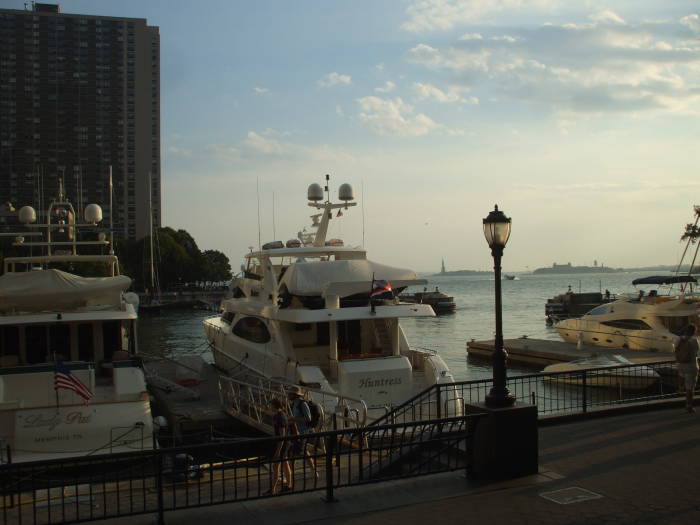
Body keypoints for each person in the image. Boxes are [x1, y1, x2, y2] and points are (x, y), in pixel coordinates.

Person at [287, 385, 318, 481]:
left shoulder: (302, 404)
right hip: (295, 432)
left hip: (302, 432)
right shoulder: (294, 404)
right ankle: (313, 470)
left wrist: (294, 419)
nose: (288, 395)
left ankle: (289, 476)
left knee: (293, 453)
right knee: (303, 452)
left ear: (294, 395)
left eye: (290, 393)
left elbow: (308, 418)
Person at [266, 397, 292, 495]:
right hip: (285, 443)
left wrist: (278, 450)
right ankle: (289, 485)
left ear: (275, 405)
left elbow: (282, 435)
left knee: (275, 466)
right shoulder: (279, 415)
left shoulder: (280, 417)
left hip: (282, 444)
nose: (270, 407)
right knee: (285, 464)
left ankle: (272, 489)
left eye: (271, 405)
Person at [675, 325, 699, 413]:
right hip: (691, 366)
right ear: (693, 332)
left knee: (681, 375)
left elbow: (676, 350)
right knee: (690, 388)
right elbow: (696, 351)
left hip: (680, 364)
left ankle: (680, 387)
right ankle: (689, 406)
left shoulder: (679, 339)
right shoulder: (694, 340)